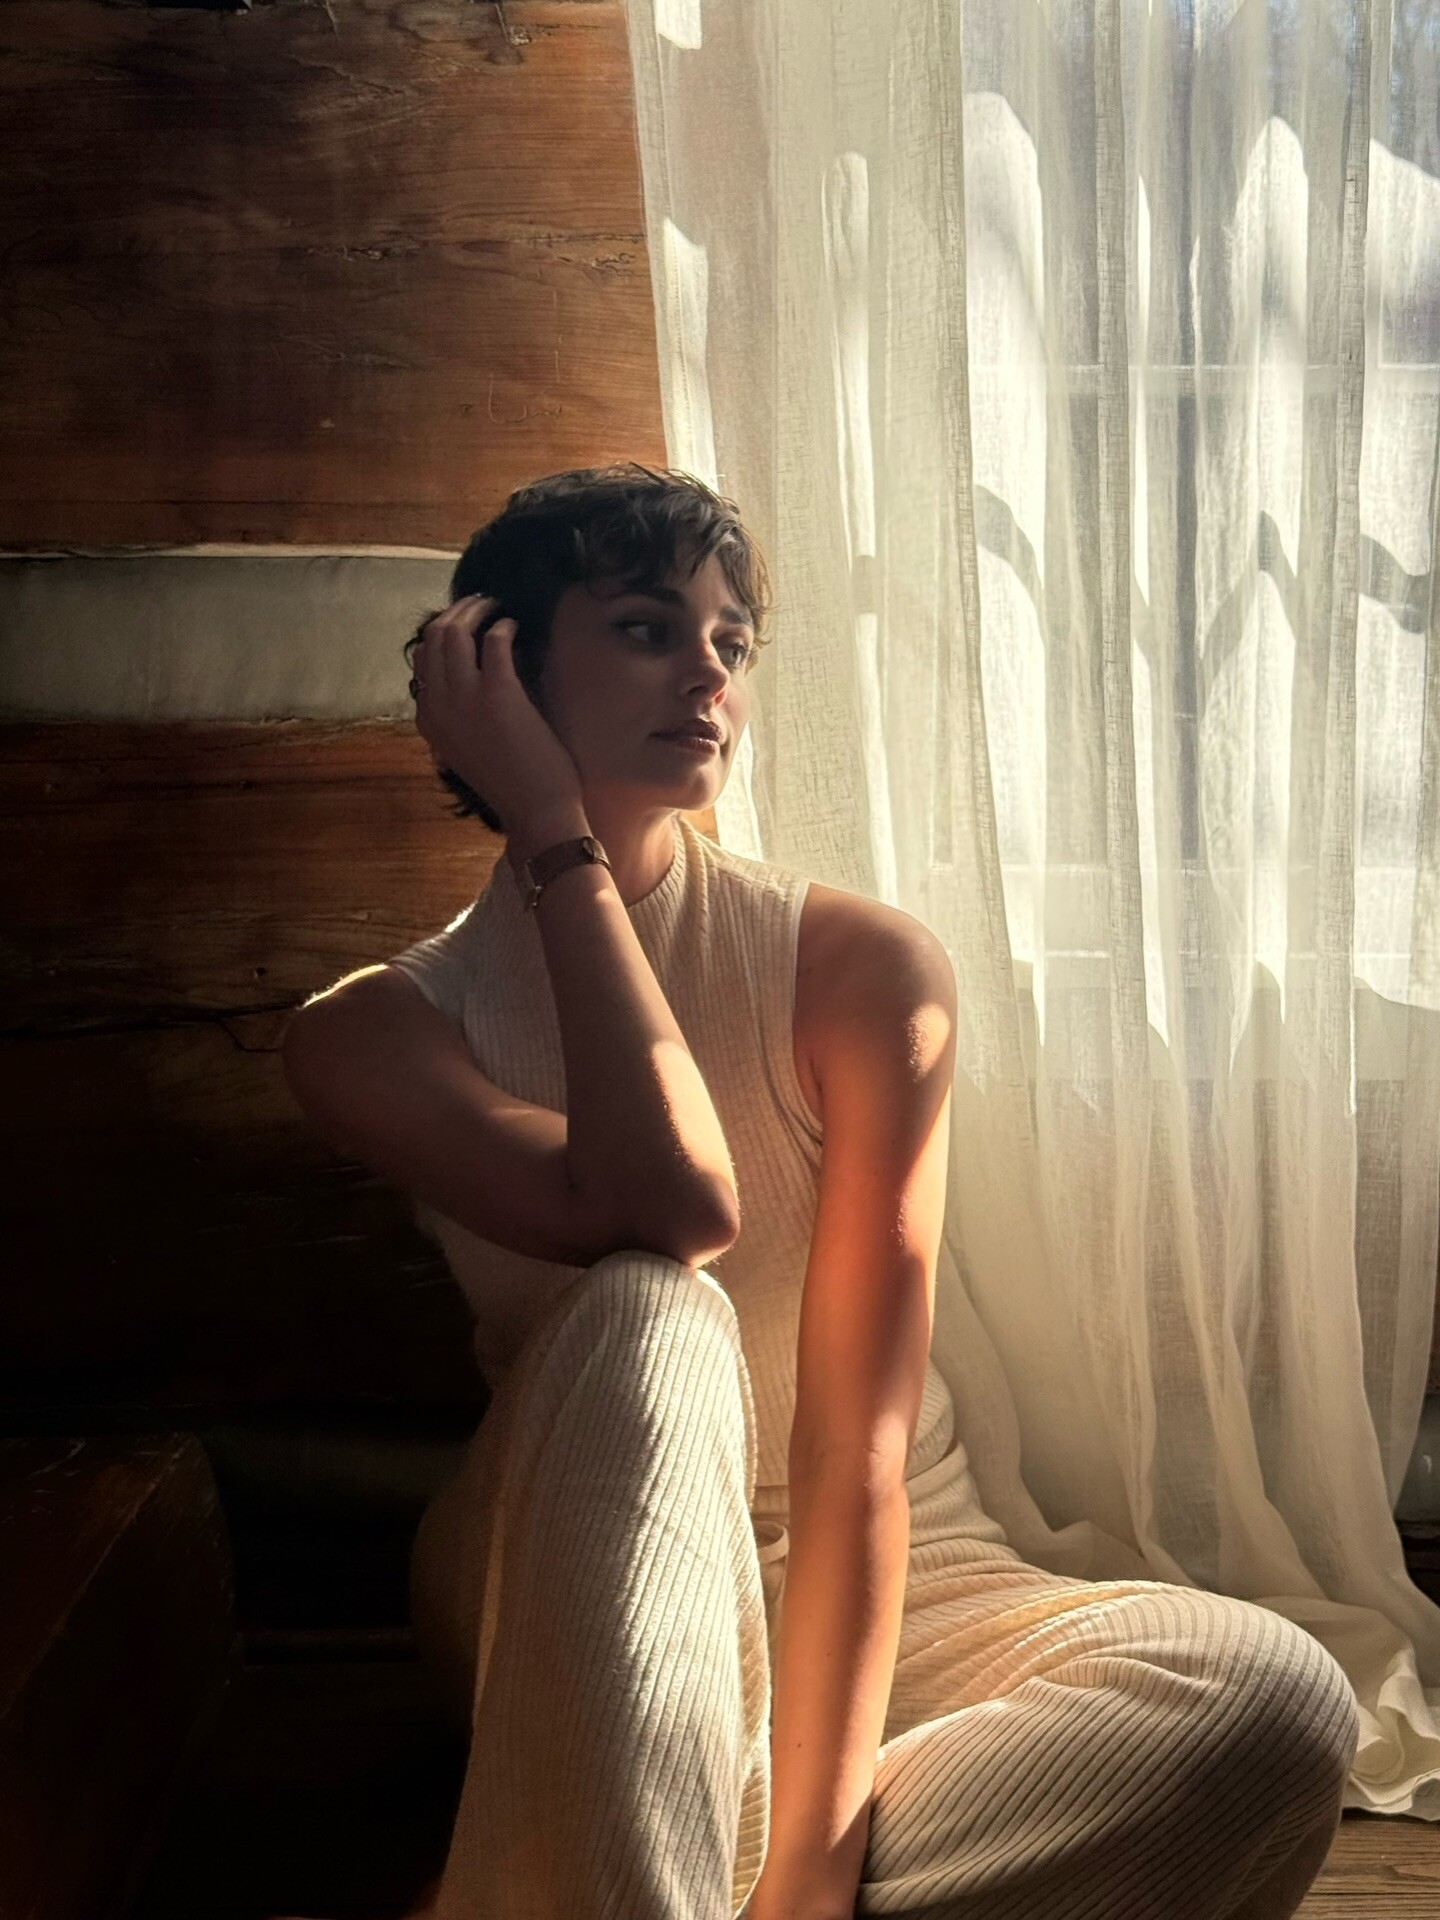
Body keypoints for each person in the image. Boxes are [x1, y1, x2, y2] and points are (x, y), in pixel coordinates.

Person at [281, 464, 1360, 1920]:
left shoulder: (862, 972)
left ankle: (650, 1880)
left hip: (899, 1579)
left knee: (1276, 1695)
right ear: (502, 670)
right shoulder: (371, 1032)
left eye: (731, 642)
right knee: (655, 1313)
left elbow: (858, 1453)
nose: (710, 675)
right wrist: (553, 835)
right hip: (558, 1579)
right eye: (649, 629)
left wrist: (813, 1862)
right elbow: (669, 1207)